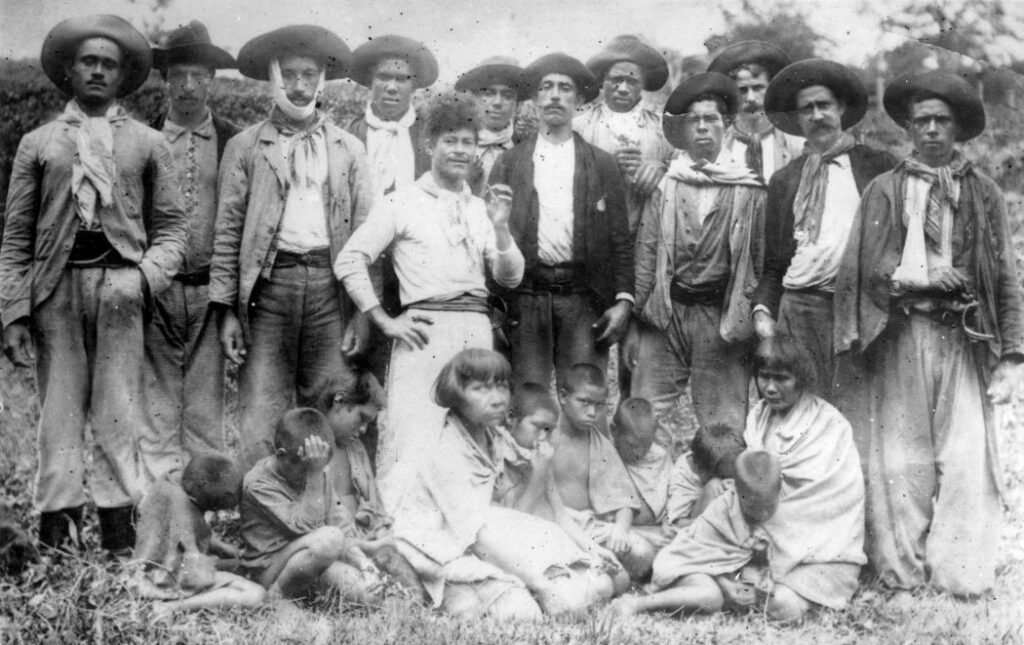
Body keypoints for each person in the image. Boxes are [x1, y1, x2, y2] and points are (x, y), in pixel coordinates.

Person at [0, 15, 188, 553]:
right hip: (55, 291)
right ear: (69, 70)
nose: (99, 72)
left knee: (117, 408)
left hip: (121, 292)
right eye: (89, 62)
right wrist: (13, 311)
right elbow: (15, 235)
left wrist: (143, 279)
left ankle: (115, 528)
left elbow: (172, 229)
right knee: (58, 412)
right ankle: (57, 527)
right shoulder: (39, 144)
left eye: (109, 64)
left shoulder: (148, 144)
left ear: (124, 74)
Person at [833, 71, 1024, 600]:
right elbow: (861, 268)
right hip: (902, 330)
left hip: (963, 336)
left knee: (966, 458)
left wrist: (1012, 355)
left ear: (958, 128)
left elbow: (1005, 274)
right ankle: (900, 570)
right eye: (922, 121)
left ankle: (960, 573)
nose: (933, 130)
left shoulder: (981, 191)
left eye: (943, 121)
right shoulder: (885, 191)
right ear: (908, 129)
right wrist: (909, 279)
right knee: (899, 458)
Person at [334, 91, 524, 499]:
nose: (459, 150)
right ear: (429, 144)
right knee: (417, 434)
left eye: (468, 142)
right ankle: (402, 533)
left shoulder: (481, 209)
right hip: (424, 333)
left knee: (473, 433)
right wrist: (384, 319)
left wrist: (503, 228)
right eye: (449, 140)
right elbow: (350, 260)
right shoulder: (401, 202)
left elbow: (509, 278)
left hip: (475, 331)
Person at [616, 335, 866, 622]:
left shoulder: (829, 426)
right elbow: (746, 491)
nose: (770, 388)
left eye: (781, 379)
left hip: (815, 551)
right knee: (744, 581)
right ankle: (724, 580)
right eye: (764, 377)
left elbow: (824, 507)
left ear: (801, 379)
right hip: (753, 538)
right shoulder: (759, 415)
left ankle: (725, 579)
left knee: (785, 606)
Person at [210, 25, 370, 470]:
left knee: (331, 396)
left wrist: (361, 310)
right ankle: (263, 517)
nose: (300, 86)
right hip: (268, 288)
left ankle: (331, 507)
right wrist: (226, 309)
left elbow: (363, 235)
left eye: (309, 75)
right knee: (262, 402)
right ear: (274, 78)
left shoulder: (348, 149)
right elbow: (228, 231)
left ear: (321, 81)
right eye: (291, 75)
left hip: (328, 289)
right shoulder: (246, 146)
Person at [627, 72, 765, 448]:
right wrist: (638, 325)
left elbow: (758, 261)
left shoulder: (748, 188)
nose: (703, 127)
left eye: (712, 119)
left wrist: (748, 323)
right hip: (667, 313)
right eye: (694, 120)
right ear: (683, 130)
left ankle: (717, 502)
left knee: (724, 428)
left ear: (727, 126)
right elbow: (646, 255)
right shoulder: (667, 184)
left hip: (720, 317)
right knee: (640, 416)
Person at [751, 59, 896, 399]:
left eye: (824, 105)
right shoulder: (786, 180)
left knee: (855, 407)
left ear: (841, 108)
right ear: (798, 119)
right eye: (807, 109)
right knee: (804, 404)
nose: (816, 115)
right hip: (800, 309)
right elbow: (774, 263)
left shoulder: (877, 166)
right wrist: (762, 309)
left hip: (858, 308)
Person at [390, 349, 568, 620]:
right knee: (523, 614)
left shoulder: (492, 436)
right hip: (438, 547)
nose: (497, 399)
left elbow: (506, 514)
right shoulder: (445, 448)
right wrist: (543, 588)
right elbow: (478, 535)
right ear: (456, 395)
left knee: (587, 586)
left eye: (501, 386)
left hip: (478, 538)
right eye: (480, 389)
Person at [489, 53, 633, 388]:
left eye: (565, 88)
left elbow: (620, 240)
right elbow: (492, 238)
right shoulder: (510, 162)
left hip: (582, 299)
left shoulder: (602, 164)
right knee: (528, 404)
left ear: (579, 100)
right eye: (546, 87)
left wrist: (623, 300)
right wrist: (494, 307)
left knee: (584, 400)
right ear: (536, 98)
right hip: (526, 299)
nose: (555, 95)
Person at [143, 20, 240, 479]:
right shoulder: (140, 140)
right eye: (178, 75)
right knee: (157, 404)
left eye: (198, 76)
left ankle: (209, 501)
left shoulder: (234, 141)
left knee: (205, 407)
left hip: (211, 291)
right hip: (157, 292)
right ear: (165, 79)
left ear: (212, 81)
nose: (187, 86)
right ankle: (161, 500)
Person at [239, 408, 383, 605]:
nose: (309, 475)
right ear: (281, 455)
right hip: (270, 570)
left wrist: (364, 565)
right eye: (305, 468)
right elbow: (305, 526)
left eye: (316, 466)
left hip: (311, 560)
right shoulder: (257, 483)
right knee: (329, 539)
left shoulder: (317, 471)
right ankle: (279, 596)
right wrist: (314, 473)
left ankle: (307, 591)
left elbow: (341, 527)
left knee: (368, 595)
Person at [306, 370, 427, 600]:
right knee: (364, 589)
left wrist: (381, 534)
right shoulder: (310, 452)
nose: (362, 430)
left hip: (365, 542)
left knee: (405, 560)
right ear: (339, 402)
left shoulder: (355, 448)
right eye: (361, 419)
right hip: (330, 551)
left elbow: (374, 504)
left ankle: (415, 603)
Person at [500, 381, 628, 596]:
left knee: (621, 578)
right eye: (537, 427)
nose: (542, 437)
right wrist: (538, 474)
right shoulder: (500, 457)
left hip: (549, 536)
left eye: (548, 430)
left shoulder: (540, 454)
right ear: (511, 418)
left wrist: (595, 550)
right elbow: (512, 527)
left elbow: (561, 516)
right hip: (515, 549)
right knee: (602, 587)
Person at [548, 363, 654, 580]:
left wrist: (621, 529)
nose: (592, 413)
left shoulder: (597, 442)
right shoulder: (546, 435)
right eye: (584, 402)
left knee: (643, 553)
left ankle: (592, 567)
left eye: (599, 405)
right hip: (553, 525)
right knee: (611, 579)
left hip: (590, 526)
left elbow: (624, 498)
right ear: (563, 396)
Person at [131, 452, 266, 615]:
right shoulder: (186, 515)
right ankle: (170, 608)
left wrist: (222, 548)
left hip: (144, 571)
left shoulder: (170, 480)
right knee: (255, 594)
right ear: (199, 504)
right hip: (162, 583)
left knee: (235, 566)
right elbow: (197, 578)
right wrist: (220, 565)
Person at [575, 34, 674, 236]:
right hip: (593, 238)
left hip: (647, 236)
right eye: (615, 80)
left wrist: (663, 170)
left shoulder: (664, 130)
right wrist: (605, 170)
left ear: (643, 85)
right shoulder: (579, 127)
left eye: (631, 81)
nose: (622, 88)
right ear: (602, 81)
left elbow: (684, 177)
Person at [347, 34, 438, 200]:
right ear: (370, 82)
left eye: (402, 79)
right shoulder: (350, 135)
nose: (392, 87)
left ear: (413, 87)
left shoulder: (429, 136)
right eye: (384, 77)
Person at [706, 41, 802, 181]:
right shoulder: (716, 145)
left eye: (758, 88)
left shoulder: (794, 146)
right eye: (742, 90)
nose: (750, 98)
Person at [455, 56, 528, 196]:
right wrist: (463, 182)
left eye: (507, 95)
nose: (497, 102)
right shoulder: (457, 145)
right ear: (475, 98)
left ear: (517, 104)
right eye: (488, 93)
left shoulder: (526, 149)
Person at [609, 397, 674, 548]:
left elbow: (673, 492)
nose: (639, 452)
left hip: (660, 530)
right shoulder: (607, 458)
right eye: (632, 445)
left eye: (646, 445)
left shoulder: (659, 456)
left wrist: (667, 522)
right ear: (614, 431)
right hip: (627, 534)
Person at [666, 423, 746, 528]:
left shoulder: (724, 456)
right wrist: (712, 522)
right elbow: (677, 523)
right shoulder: (681, 476)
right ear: (704, 472)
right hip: (700, 523)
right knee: (714, 486)